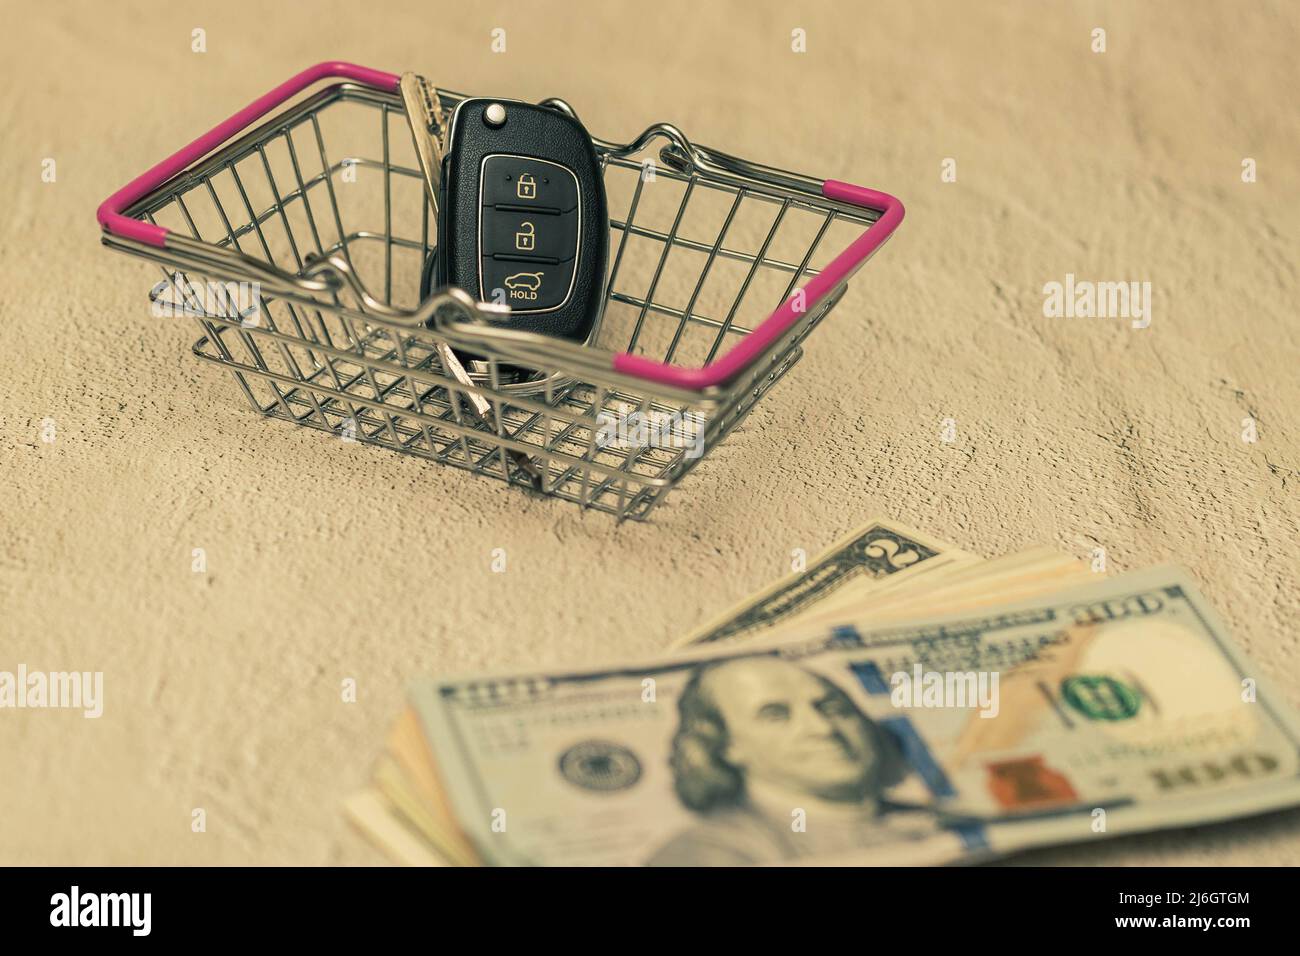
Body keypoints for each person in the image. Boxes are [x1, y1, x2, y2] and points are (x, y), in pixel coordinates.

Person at [645, 656, 934, 865]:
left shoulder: (938, 820)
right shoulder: (709, 853)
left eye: (832, 707)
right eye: (776, 715)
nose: (823, 728)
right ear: (726, 746)